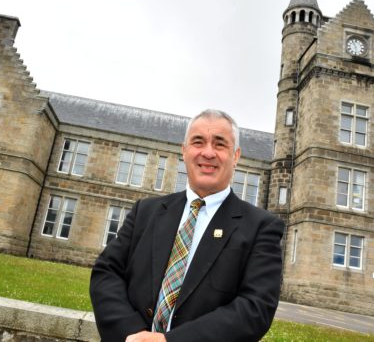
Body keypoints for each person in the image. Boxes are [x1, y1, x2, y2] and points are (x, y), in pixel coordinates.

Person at [90, 109, 284, 342]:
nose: (208, 152)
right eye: (198, 142)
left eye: (220, 144)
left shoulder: (261, 227)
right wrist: (132, 334)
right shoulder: (146, 211)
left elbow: (255, 308)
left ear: (236, 155)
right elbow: (106, 272)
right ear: (184, 151)